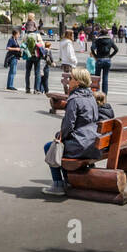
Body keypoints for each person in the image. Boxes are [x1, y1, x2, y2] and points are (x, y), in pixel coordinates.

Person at [42, 67, 102, 196]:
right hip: (94, 141)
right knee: (61, 144)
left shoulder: (74, 99)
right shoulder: (91, 97)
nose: (69, 81)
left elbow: (68, 125)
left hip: (81, 144)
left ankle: (58, 184)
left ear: (78, 82)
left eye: (71, 78)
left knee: (51, 147)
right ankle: (69, 180)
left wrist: (60, 136)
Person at [91, 29, 118, 95]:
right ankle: (104, 94)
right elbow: (116, 49)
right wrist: (110, 56)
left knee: (97, 77)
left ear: (100, 33)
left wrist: (96, 56)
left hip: (99, 59)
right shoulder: (110, 40)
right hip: (107, 60)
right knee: (105, 77)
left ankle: (96, 92)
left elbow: (92, 48)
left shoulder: (98, 40)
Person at [23, 28, 44, 94]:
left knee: (28, 72)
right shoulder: (37, 35)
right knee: (37, 72)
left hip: (28, 55)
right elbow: (42, 45)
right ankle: (36, 89)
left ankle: (27, 88)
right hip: (36, 55)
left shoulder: (26, 35)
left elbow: (23, 45)